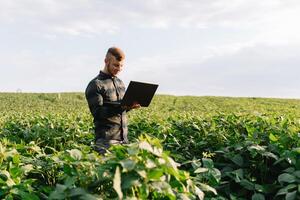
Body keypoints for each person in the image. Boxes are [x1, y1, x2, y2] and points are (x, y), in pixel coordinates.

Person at [85, 47, 140, 154]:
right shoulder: (96, 84)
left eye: (121, 66)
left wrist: (129, 107)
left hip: (124, 140)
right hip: (106, 142)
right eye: (116, 65)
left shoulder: (120, 83)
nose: (119, 68)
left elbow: (120, 111)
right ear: (106, 61)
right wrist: (122, 107)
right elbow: (98, 113)